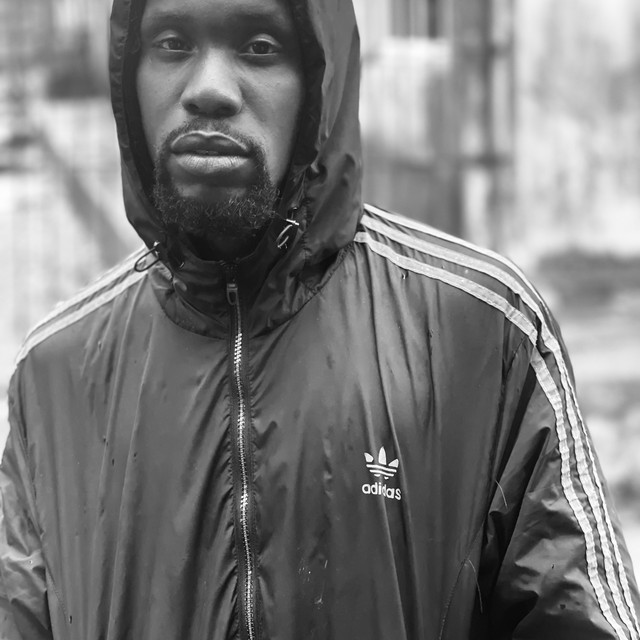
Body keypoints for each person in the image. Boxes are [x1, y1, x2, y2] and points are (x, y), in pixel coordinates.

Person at [1, 0, 639, 637]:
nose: (210, 89)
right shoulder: (54, 376)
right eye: (171, 44)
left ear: (319, 83)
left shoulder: (480, 333)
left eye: (259, 47)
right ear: (127, 76)